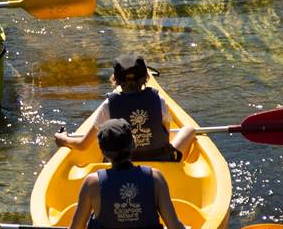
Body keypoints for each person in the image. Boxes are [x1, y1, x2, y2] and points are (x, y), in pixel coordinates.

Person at [65, 119, 191, 229]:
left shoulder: (92, 182)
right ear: (133, 145)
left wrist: (88, 226)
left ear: (102, 151)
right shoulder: (155, 177)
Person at [54, 54, 194, 161]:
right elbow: (166, 134)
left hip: (123, 164)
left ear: (115, 79)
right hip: (161, 161)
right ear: (146, 77)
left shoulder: (108, 106)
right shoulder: (159, 100)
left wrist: (63, 139)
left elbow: (83, 145)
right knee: (189, 130)